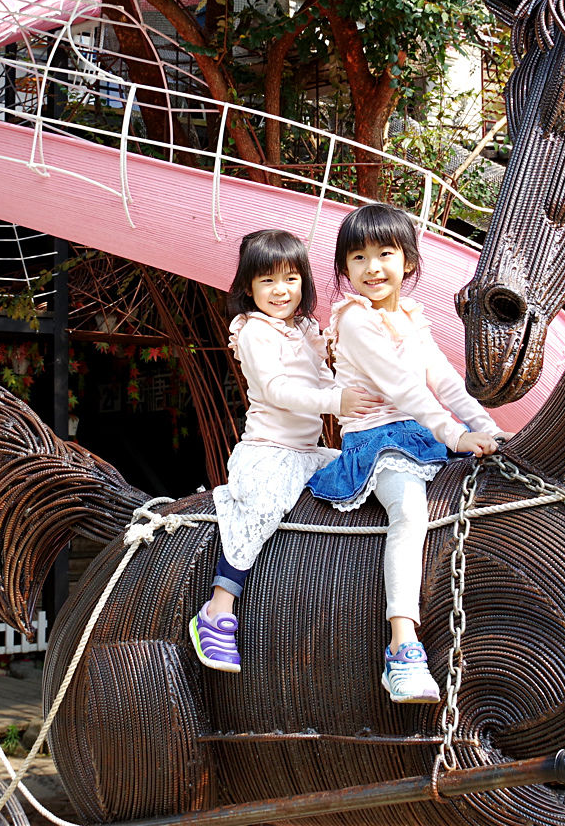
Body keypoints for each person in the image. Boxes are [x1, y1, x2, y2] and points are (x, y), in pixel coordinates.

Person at [306, 204, 506, 703]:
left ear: (410, 262)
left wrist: (486, 426)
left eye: (385, 254)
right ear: (345, 270)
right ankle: (402, 647)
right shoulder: (353, 320)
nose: (373, 267)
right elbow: (404, 390)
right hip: (376, 440)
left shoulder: (413, 318)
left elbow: (444, 382)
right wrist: (457, 437)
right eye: (358, 257)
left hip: (421, 434)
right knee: (410, 512)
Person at [189, 229, 382, 673]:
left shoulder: (307, 329)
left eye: (291, 279)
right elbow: (279, 390)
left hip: (310, 451)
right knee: (262, 507)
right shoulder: (255, 331)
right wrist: (337, 401)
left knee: (369, 473)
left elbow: (324, 384)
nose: (281, 291)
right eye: (267, 282)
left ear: (304, 283)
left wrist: (357, 393)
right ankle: (218, 609)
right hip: (269, 450)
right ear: (248, 289)